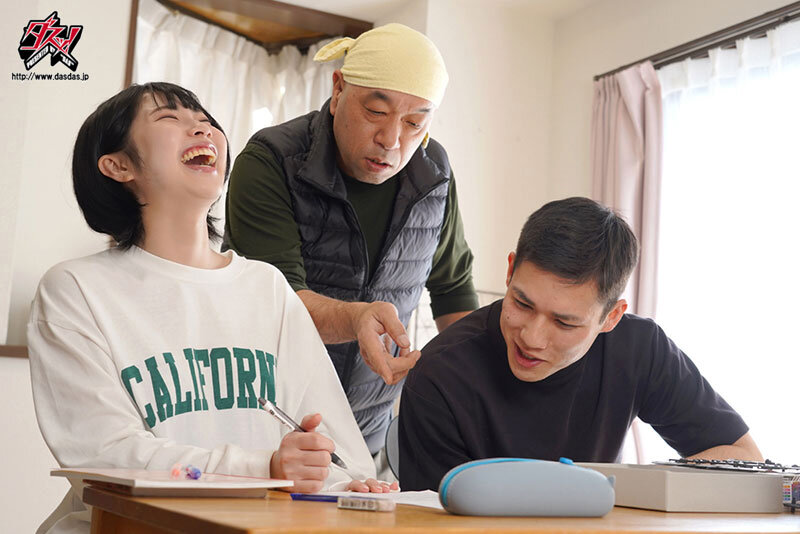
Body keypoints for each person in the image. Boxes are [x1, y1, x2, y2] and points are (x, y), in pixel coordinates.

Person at [28, 82, 393, 534]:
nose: (202, 129)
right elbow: (102, 454)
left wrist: (347, 482)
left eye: (205, 120)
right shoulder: (75, 290)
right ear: (119, 165)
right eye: (170, 118)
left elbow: (339, 450)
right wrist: (264, 468)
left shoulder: (266, 287)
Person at [223, 23, 478, 457]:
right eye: (376, 112)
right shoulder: (272, 161)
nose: (391, 140)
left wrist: (475, 381)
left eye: (414, 122)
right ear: (338, 89)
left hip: (366, 433)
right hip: (269, 421)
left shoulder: (433, 172)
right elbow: (275, 302)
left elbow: (453, 288)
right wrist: (356, 319)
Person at [398, 197, 763, 491]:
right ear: (510, 271)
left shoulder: (639, 349)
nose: (531, 338)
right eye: (522, 304)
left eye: (565, 322)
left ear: (611, 317)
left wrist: (629, 489)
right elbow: (433, 520)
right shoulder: (440, 373)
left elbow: (743, 456)